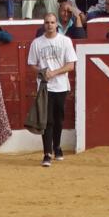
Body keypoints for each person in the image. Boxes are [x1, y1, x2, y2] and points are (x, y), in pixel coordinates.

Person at [27, 10, 76, 165]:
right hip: (45, 87)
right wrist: (42, 72)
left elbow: (70, 66)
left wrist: (54, 72)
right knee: (47, 120)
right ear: (44, 24)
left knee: (59, 119)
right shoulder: (37, 43)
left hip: (61, 86)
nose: (50, 25)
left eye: (52, 22)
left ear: (57, 24)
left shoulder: (65, 41)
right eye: (47, 22)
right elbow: (32, 65)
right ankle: (47, 153)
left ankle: (57, 147)